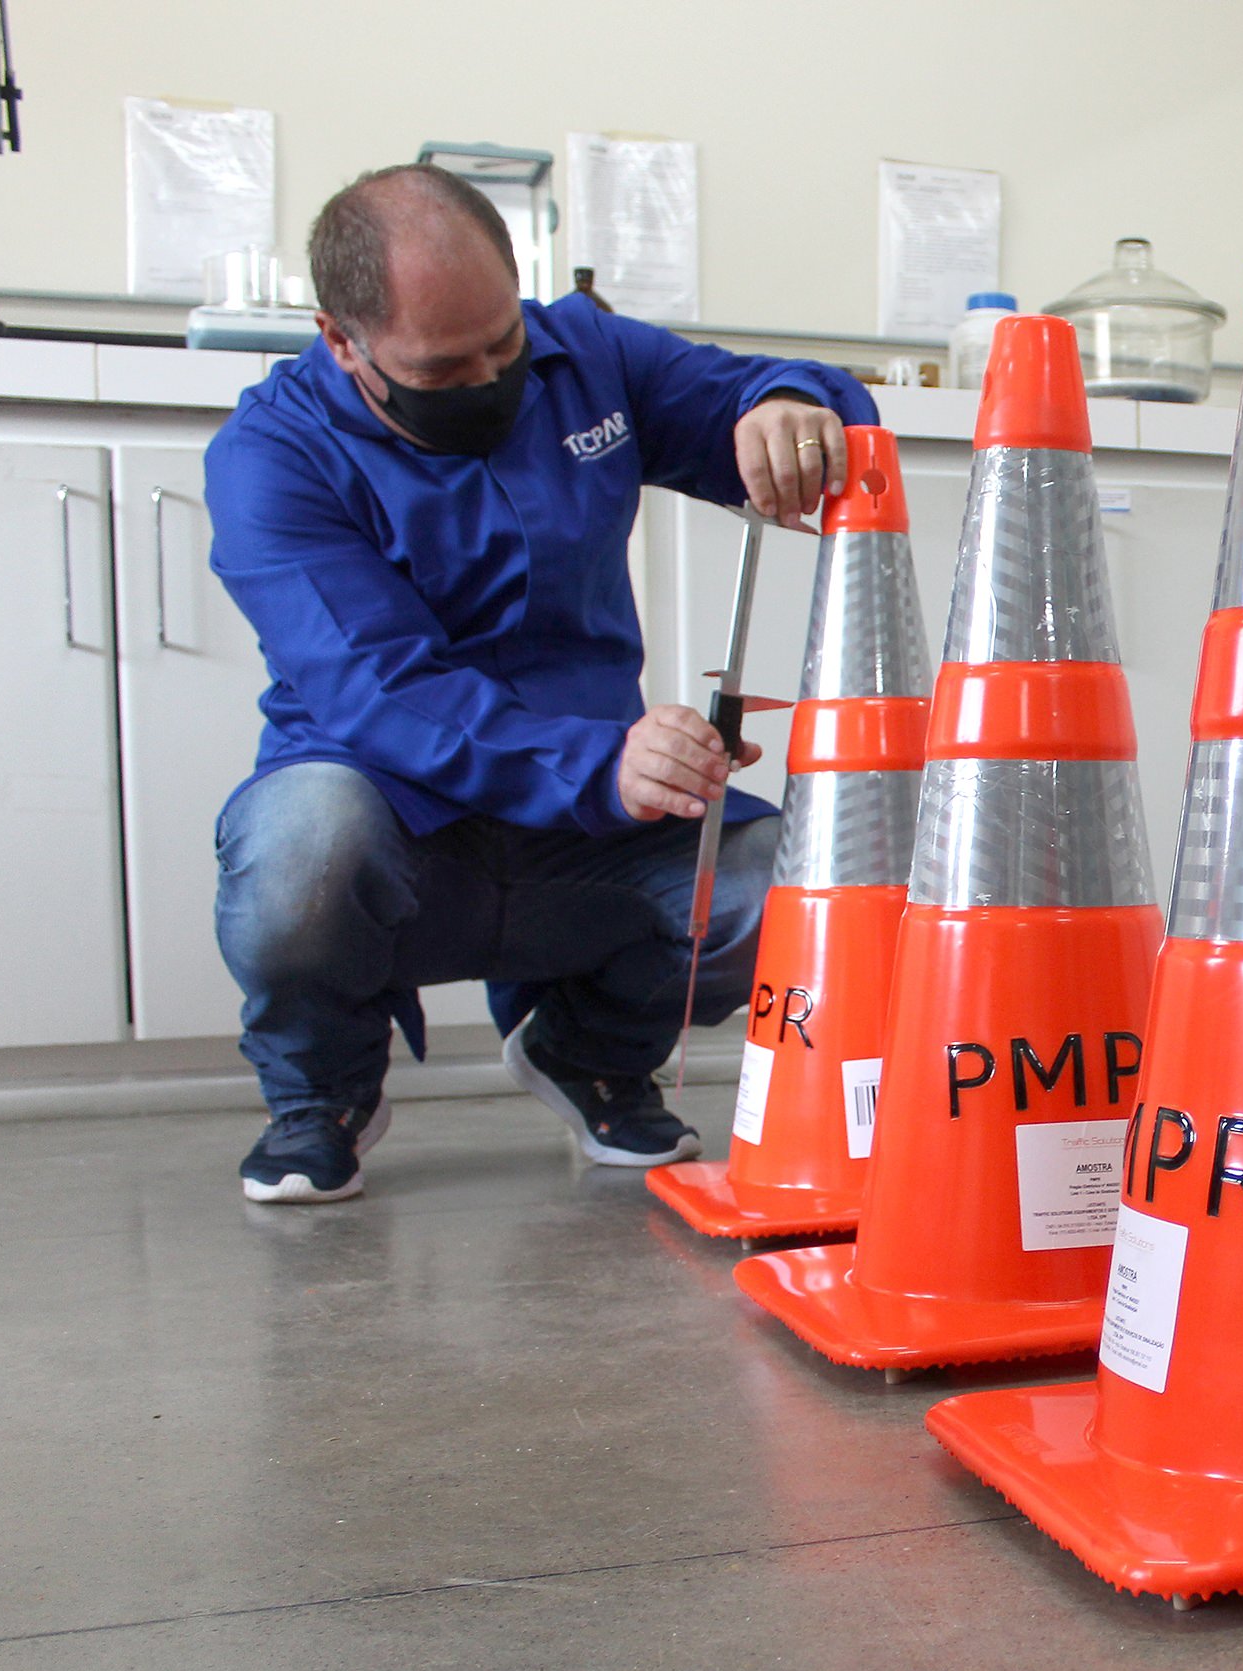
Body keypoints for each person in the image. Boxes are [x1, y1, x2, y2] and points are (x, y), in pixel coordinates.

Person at [207, 164, 876, 1203]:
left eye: (503, 345)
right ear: (342, 340)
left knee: (803, 894)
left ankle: (593, 1050)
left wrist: (785, 404)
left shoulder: (583, 353)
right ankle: (322, 1094)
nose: (489, 381)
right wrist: (599, 761)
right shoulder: (270, 456)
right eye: (441, 368)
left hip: (591, 824)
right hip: (397, 811)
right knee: (302, 854)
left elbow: (757, 391)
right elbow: (378, 690)